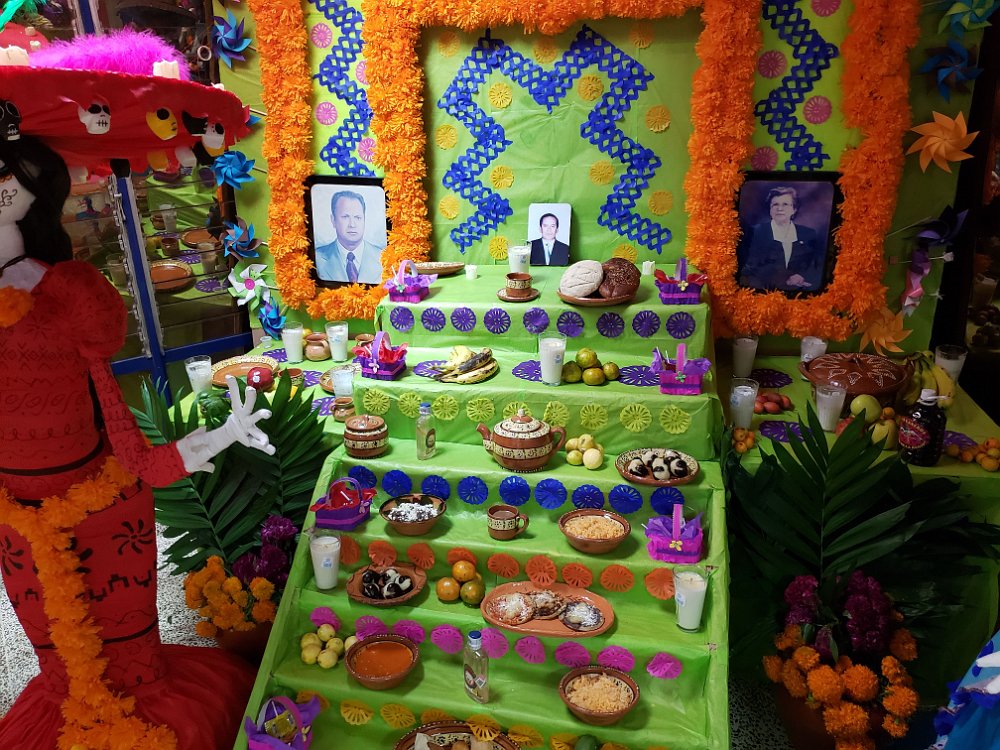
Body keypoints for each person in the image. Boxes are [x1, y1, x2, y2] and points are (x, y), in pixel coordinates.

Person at [0, 131, 273, 749]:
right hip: (15, 519)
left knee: (128, 655)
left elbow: (121, 428)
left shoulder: (64, 291)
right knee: (56, 654)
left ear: (32, 186)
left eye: (4, 172)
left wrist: (222, 435)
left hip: (103, 510)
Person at [738, 186, 824, 292]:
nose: (780, 209)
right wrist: (784, 279)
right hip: (763, 291)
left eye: (785, 204)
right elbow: (749, 267)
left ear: (794, 209)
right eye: (775, 204)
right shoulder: (755, 232)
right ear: (770, 209)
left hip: (798, 292)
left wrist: (801, 276)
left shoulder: (808, 234)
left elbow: (816, 264)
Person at [314, 189, 385, 284]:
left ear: (364, 219)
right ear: (333, 220)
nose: (352, 224)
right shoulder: (317, 258)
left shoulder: (384, 257)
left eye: (358, 217)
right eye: (345, 217)